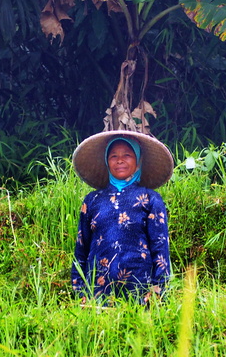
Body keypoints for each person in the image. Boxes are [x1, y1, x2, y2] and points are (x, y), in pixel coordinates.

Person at [70, 130, 174, 304]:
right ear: (106, 162)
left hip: (140, 294)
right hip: (97, 294)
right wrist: (79, 290)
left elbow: (160, 247)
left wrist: (158, 290)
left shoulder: (150, 198)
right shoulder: (92, 200)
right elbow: (82, 248)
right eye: (113, 156)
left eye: (127, 155)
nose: (120, 160)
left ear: (138, 162)